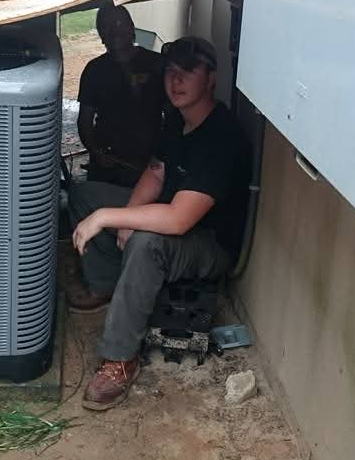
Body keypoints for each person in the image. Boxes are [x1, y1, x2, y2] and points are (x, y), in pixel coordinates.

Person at [69, 35, 252, 411]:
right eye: (170, 72)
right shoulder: (178, 121)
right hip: (174, 217)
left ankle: (120, 357)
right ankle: (108, 285)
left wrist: (110, 218)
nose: (176, 81)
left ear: (212, 78)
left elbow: (179, 219)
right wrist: (124, 219)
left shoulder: (221, 136)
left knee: (145, 241)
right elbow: (155, 175)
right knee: (85, 195)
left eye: (188, 72)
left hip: (208, 243)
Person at [77, 4, 168, 188]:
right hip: (107, 165)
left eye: (119, 23)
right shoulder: (94, 70)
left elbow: (173, 116)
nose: (113, 30)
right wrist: (96, 152)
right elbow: (84, 121)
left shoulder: (157, 64)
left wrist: (161, 154)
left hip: (149, 164)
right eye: (106, 26)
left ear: (132, 27)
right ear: (101, 35)